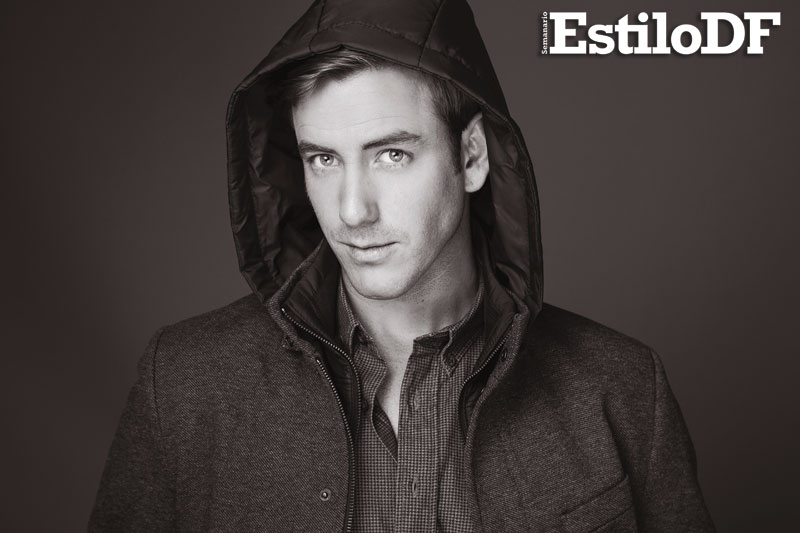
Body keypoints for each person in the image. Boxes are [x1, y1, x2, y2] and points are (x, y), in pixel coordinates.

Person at [89, 0, 714, 531]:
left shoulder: (623, 388)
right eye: (323, 160)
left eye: (391, 154)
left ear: (471, 157)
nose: (352, 210)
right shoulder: (185, 383)